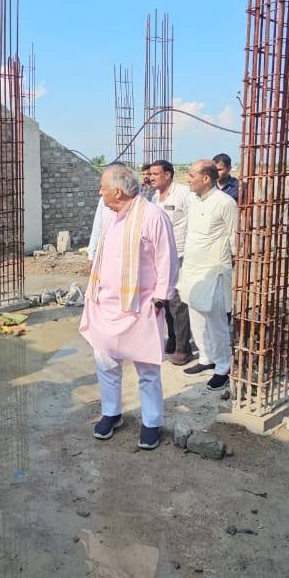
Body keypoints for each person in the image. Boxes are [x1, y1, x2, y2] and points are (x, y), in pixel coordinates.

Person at [80, 164, 178, 450]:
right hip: (105, 304)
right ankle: (111, 413)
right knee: (106, 363)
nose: (100, 192)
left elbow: (167, 259)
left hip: (140, 305)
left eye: (103, 188)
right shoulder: (109, 214)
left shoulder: (152, 215)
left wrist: (161, 297)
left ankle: (151, 422)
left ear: (117, 192)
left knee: (146, 368)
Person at [176, 160, 239, 391]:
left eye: (191, 175)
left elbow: (235, 239)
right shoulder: (192, 200)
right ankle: (206, 358)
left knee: (216, 322)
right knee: (196, 316)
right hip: (192, 269)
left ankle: (223, 367)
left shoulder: (225, 203)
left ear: (206, 178)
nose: (188, 179)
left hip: (214, 271)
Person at [145, 160, 197, 365]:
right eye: (150, 174)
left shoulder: (184, 194)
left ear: (167, 175)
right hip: (161, 258)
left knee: (178, 303)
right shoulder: (154, 197)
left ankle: (184, 348)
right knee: (164, 300)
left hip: (180, 255)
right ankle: (173, 339)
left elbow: (194, 223)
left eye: (155, 174)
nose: (151, 178)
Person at [87, 195, 109, 263]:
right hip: (107, 255)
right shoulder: (104, 199)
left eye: (103, 189)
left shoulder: (136, 200)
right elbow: (97, 228)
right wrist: (91, 255)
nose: (100, 192)